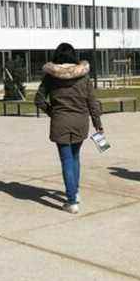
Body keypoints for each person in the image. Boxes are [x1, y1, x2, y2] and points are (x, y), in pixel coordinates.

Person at [35, 43, 103, 214]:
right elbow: (92, 102)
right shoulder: (84, 77)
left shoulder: (50, 77)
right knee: (75, 157)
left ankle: (71, 201)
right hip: (81, 122)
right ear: (74, 56)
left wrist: (52, 112)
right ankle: (75, 192)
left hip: (60, 122)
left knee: (66, 160)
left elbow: (39, 100)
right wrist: (98, 124)